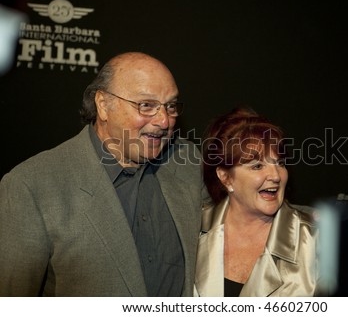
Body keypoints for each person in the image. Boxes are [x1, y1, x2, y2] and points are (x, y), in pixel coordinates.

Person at [0, 52, 209, 296]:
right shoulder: (33, 185)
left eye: (170, 106)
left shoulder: (189, 163)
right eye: (146, 105)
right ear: (103, 105)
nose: (164, 121)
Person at [195, 107, 320, 296]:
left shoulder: (315, 239)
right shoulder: (192, 228)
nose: (276, 175)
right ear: (225, 177)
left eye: (280, 163)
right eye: (257, 166)